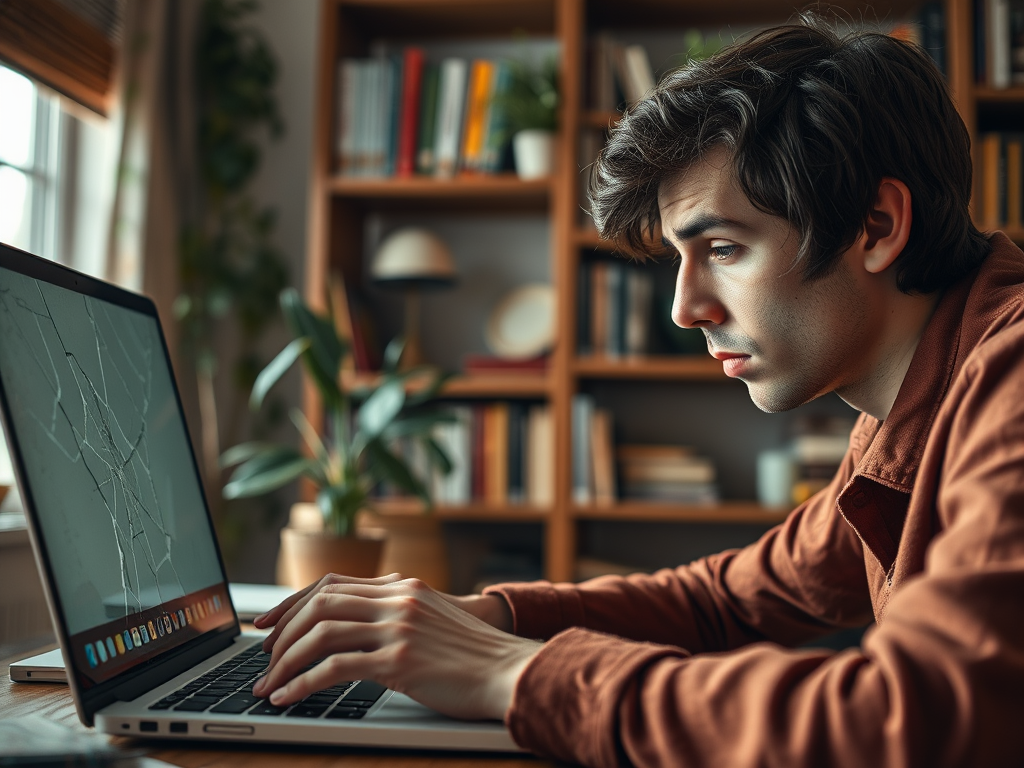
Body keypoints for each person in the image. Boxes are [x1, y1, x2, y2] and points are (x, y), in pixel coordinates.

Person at [251, 16, 1024, 767]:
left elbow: (913, 722)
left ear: (876, 225)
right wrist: (492, 618)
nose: (686, 309)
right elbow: (730, 603)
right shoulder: (910, 402)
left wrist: (509, 673)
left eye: (723, 248)